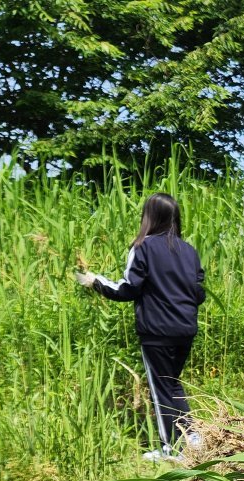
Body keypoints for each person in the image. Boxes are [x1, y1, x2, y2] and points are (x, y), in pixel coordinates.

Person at [75, 193, 206, 461]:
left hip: (157, 331)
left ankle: (171, 449)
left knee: (160, 389)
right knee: (172, 384)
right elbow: (199, 291)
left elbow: (127, 289)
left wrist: (94, 281)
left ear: (149, 217)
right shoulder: (189, 250)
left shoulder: (143, 247)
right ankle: (192, 436)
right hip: (185, 328)